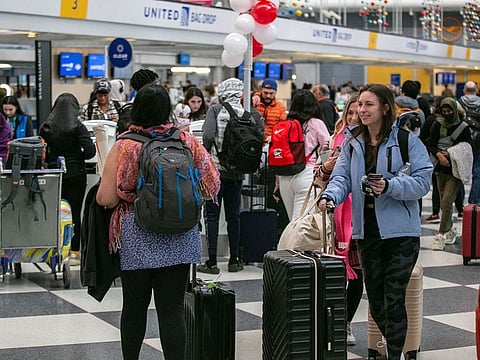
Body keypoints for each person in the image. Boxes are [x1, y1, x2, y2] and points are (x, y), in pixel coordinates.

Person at [96, 84, 220, 360]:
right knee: (172, 309)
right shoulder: (186, 140)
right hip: (180, 234)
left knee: (134, 307)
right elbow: (213, 183)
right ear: (167, 110)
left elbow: (105, 198)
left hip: (136, 235)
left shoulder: (125, 145)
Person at [318, 83, 433, 360]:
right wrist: (330, 196)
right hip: (367, 230)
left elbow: (422, 182)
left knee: (394, 298)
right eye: (359, 104)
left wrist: (389, 185)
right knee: (378, 301)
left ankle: (395, 355)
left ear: (384, 107)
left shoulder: (406, 141)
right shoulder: (353, 141)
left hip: (400, 233)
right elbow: (342, 177)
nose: (361, 110)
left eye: (369, 104)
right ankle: (396, 348)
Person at [199, 78, 263, 274]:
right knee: (233, 215)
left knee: (212, 216)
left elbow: (208, 135)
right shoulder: (249, 113)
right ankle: (234, 260)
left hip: (215, 173)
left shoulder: (216, 110)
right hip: (237, 172)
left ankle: (211, 262)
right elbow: (258, 137)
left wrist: (207, 157)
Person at [315, 94, 363, 346]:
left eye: (360, 111)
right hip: (335, 211)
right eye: (351, 113)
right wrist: (326, 167)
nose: (355, 117)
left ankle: (345, 321)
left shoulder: (370, 141)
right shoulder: (337, 138)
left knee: (357, 271)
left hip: (360, 214)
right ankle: (330, 320)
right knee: (333, 270)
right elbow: (320, 176)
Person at [39, 93, 96, 266]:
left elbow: (41, 151)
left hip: (54, 174)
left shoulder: (46, 127)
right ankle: (75, 252)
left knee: (54, 212)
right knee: (74, 213)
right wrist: (77, 155)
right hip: (75, 174)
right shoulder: (78, 127)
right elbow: (90, 151)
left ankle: (53, 250)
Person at [275, 89, 330, 221]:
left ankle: (289, 242)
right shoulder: (316, 123)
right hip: (307, 174)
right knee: (301, 223)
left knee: (291, 222)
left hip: (284, 176)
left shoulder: (284, 125)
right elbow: (327, 149)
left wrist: (277, 183)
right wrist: (327, 172)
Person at [427, 97, 472, 251]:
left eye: (449, 111)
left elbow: (467, 148)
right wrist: (439, 155)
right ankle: (451, 229)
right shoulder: (437, 124)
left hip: (455, 169)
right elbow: (431, 143)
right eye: (443, 111)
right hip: (440, 168)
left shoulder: (463, 127)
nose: (446, 114)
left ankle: (440, 234)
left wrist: (450, 153)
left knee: (446, 202)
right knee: (443, 200)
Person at [458, 81, 480, 204]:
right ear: (476, 91)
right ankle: (474, 201)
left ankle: (460, 203)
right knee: (477, 172)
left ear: (464, 91)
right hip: (479, 140)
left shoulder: (459, 103)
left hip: (462, 140)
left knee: (460, 171)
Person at [251, 78, 287, 143]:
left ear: (276, 92)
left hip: (271, 142)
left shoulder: (280, 107)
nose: (268, 96)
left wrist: (274, 136)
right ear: (261, 90)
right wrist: (253, 95)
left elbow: (283, 127)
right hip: (253, 141)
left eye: (271, 93)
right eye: (265, 93)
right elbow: (241, 99)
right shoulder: (253, 102)